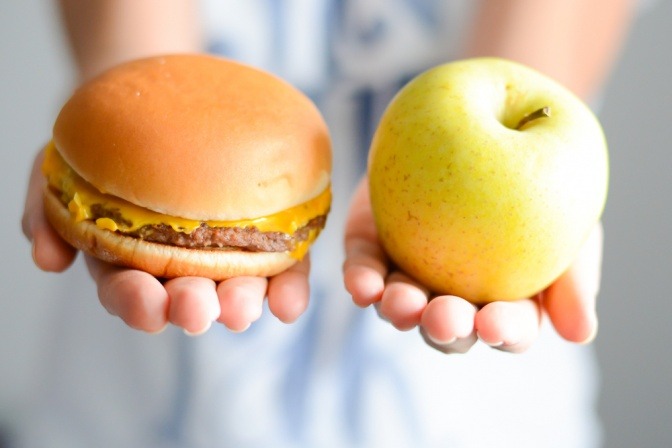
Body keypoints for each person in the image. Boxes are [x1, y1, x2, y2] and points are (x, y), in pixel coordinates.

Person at [18, 0, 634, 446]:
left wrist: (527, 200)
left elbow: (538, 64)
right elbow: (142, 68)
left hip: (475, 422)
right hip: (122, 409)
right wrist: (126, 98)